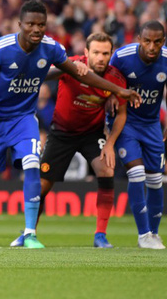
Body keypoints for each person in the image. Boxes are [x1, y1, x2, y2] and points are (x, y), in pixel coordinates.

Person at [0, 0, 140, 249]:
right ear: (20, 24)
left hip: (23, 118)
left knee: (32, 165)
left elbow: (76, 72)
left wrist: (119, 90)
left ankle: (29, 233)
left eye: (41, 24)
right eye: (31, 24)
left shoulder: (51, 48)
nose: (36, 29)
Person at [38, 32, 127, 248]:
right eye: (96, 52)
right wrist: (63, 67)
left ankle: (100, 235)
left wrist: (111, 143)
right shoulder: (71, 66)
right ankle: (29, 231)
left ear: (111, 54)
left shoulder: (115, 78)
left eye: (105, 53)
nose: (101, 58)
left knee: (106, 170)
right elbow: (44, 75)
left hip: (91, 133)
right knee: (41, 186)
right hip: (61, 132)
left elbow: (122, 114)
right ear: (86, 53)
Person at [108, 21, 167, 249]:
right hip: (125, 122)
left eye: (157, 42)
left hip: (151, 124)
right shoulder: (121, 57)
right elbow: (108, 81)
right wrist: (111, 96)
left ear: (163, 41)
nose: (152, 46)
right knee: (137, 173)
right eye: (147, 40)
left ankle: (154, 234)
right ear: (139, 38)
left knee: (155, 180)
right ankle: (143, 236)